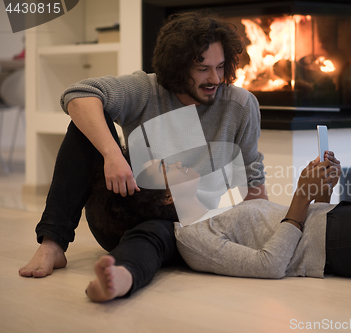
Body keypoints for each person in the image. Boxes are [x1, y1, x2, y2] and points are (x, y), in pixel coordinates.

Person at [84, 114, 351, 302]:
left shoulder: (218, 205)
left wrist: (321, 191)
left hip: (346, 217)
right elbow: (271, 265)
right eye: (165, 167)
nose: (176, 160)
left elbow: (300, 226)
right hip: (347, 244)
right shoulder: (194, 239)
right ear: (165, 196)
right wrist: (301, 199)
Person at [19, 11, 268, 279]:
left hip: (184, 228)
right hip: (124, 217)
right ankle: (52, 243)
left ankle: (123, 274)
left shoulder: (240, 105)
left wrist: (266, 232)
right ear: (177, 65)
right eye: (202, 68)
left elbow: (253, 182)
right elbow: (77, 94)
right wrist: (112, 154)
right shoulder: (146, 89)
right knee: (84, 124)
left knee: (162, 232)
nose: (216, 79)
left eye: (220, 67)